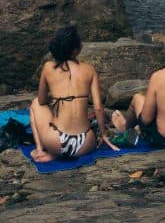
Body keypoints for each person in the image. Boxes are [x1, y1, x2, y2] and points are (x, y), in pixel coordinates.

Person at [29, 24, 119, 162]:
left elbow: (41, 101)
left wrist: (57, 96)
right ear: (75, 50)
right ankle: (57, 153)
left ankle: (41, 150)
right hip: (85, 143)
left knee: (35, 103)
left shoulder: (48, 67)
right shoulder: (89, 69)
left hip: (56, 141)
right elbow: (98, 108)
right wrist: (104, 135)